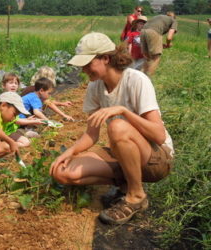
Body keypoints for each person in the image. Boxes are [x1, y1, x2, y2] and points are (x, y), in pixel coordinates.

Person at [49, 32, 174, 225]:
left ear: (106, 58)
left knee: (117, 126)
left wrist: (123, 111)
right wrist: (69, 153)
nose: (83, 69)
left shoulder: (136, 80)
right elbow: (91, 135)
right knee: (63, 172)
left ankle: (136, 196)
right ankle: (126, 182)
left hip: (157, 159)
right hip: (124, 153)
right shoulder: (95, 88)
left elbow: (158, 135)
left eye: (87, 63)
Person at [1, 73, 44, 147]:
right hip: (5, 131)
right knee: (26, 142)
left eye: (16, 83)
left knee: (33, 137)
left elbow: (16, 119)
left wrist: (28, 120)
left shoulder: (15, 98)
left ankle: (9, 143)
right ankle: (5, 146)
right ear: (3, 85)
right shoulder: (4, 100)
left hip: (12, 129)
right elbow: (15, 120)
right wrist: (33, 121)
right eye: (11, 83)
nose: (14, 85)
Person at [141, 12, 178, 76]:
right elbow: (169, 38)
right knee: (156, 57)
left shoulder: (160, 17)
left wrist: (160, 44)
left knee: (147, 58)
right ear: (174, 17)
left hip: (143, 31)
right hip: (153, 32)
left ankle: (140, 77)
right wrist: (168, 44)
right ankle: (148, 79)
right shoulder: (173, 21)